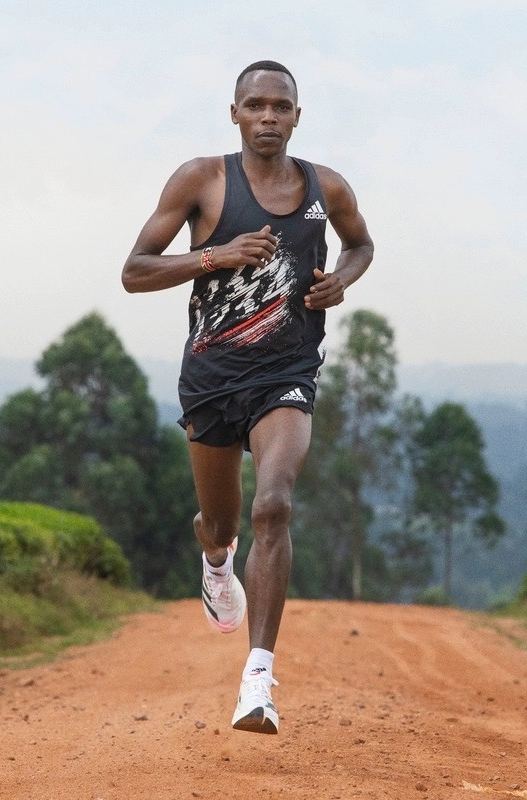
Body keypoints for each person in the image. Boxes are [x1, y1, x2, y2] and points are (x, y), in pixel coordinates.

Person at [121, 60, 373, 734]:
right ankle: (213, 558)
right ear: (234, 112)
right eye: (255, 105)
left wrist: (340, 280)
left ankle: (256, 679)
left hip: (286, 375)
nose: (268, 117)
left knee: (275, 503)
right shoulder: (201, 180)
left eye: (280, 106)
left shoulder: (329, 187)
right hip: (210, 378)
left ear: (297, 115)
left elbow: (361, 244)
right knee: (224, 523)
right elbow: (134, 272)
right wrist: (218, 255)